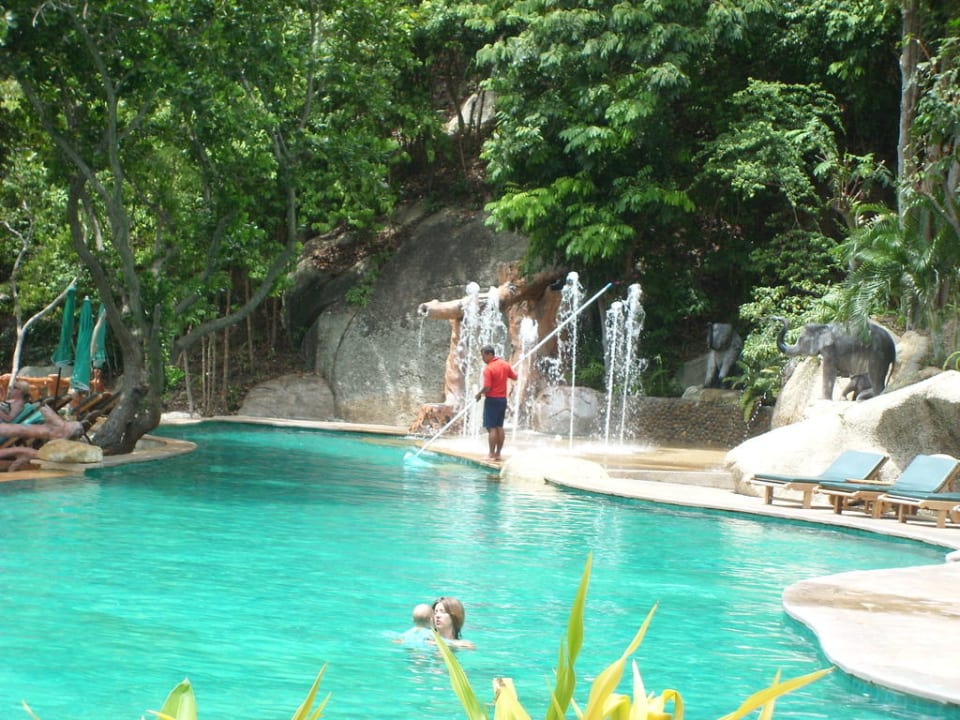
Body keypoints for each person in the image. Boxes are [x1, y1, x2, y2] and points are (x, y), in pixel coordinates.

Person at [474, 345, 517, 461]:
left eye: (483, 356)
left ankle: (491, 454)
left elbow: (487, 387)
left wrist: (479, 394)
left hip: (492, 400)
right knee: (499, 427)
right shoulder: (505, 364)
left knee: (492, 428)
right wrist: (507, 371)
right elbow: (515, 377)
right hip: (502, 400)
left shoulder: (489, 368)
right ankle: (498, 454)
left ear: (489, 354)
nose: (482, 359)